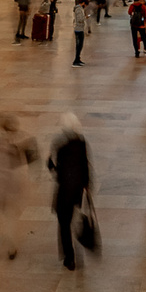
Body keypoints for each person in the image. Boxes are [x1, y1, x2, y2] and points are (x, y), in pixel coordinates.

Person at [0, 116, 35, 258]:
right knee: (10, 217)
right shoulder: (22, 140)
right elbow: (29, 158)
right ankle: (11, 248)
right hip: (14, 184)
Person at [48, 114, 91, 271]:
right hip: (77, 189)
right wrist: (87, 184)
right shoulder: (81, 141)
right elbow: (85, 164)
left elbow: (51, 165)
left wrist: (54, 169)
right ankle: (77, 245)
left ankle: (69, 257)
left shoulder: (59, 143)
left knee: (63, 224)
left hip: (64, 190)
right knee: (74, 216)